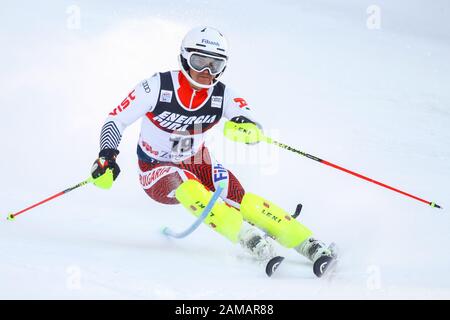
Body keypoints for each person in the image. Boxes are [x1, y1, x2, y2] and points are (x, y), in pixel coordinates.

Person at [90, 26, 336, 277]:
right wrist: (107, 155)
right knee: (188, 186)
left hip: (198, 161)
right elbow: (116, 120)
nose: (206, 72)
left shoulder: (223, 95)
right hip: (154, 168)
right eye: (199, 62)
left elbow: (246, 119)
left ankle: (307, 243)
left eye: (215, 65)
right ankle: (247, 237)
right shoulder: (156, 87)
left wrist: (245, 128)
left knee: (241, 199)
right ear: (184, 59)